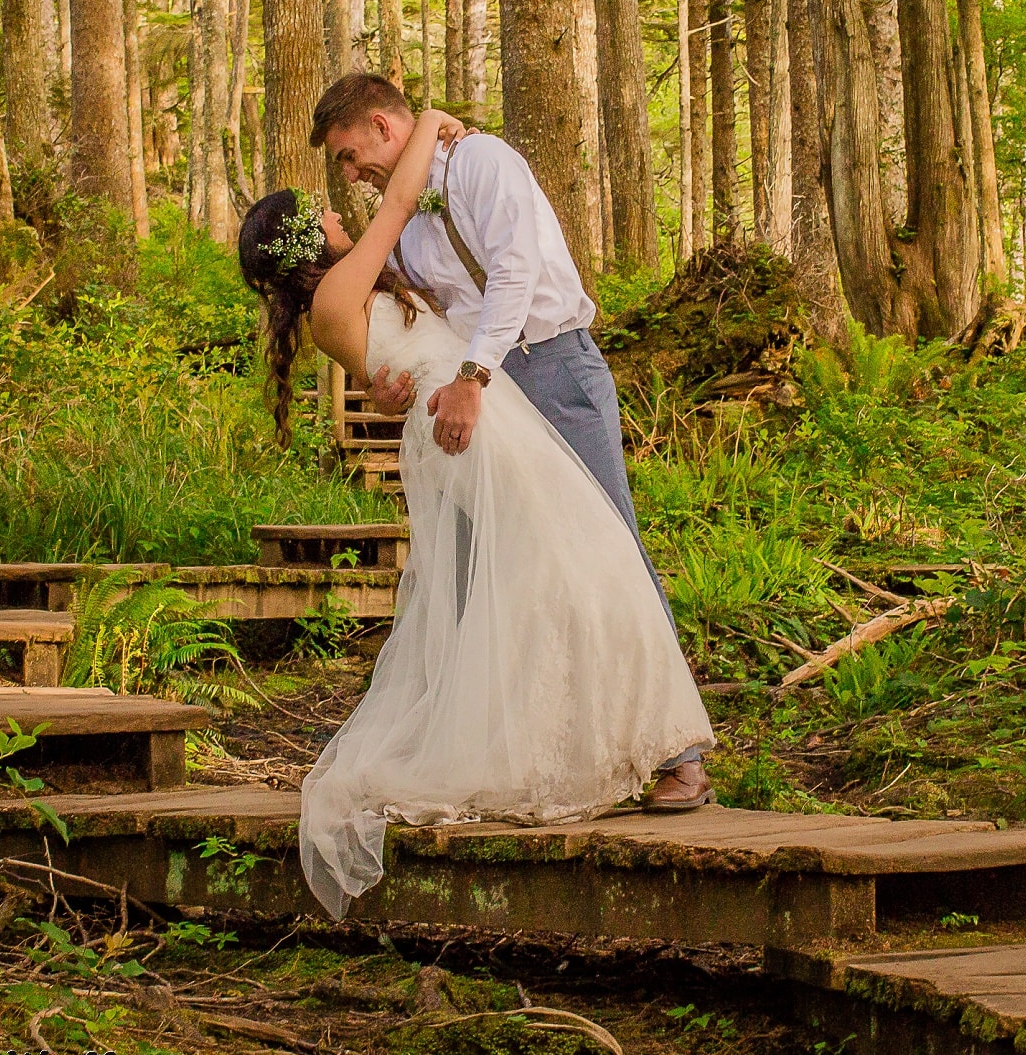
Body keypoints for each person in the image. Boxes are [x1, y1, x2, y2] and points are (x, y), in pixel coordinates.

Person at [236, 101, 716, 920]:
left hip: (507, 392)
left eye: (351, 158)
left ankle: (660, 750)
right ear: (306, 242)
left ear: (379, 126)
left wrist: (405, 387)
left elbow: (424, 338)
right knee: (549, 570)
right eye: (330, 187)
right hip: (473, 422)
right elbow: (391, 273)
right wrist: (430, 119)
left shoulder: (452, 194)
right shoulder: (376, 249)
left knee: (591, 558)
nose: (345, 184)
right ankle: (564, 747)